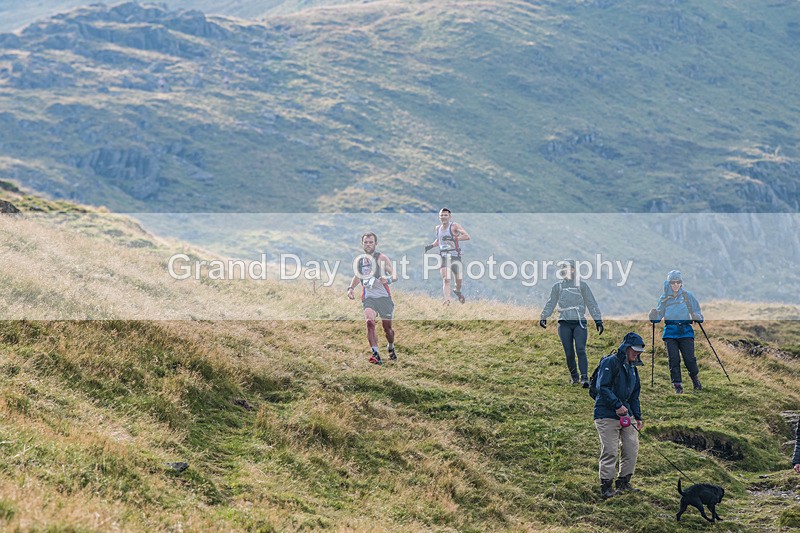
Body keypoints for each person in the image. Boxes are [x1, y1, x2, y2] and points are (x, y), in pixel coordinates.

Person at [594, 332, 645, 499]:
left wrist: (638, 416)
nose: (637, 354)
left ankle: (624, 483)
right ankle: (606, 487)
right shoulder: (610, 362)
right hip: (605, 414)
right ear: (626, 348)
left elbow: (635, 394)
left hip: (627, 415)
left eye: (639, 351)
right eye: (634, 350)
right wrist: (617, 405)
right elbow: (602, 387)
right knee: (610, 451)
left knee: (631, 448)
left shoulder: (633, 368)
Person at [539, 260, 604, 386]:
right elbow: (551, 303)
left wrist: (598, 320)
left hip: (579, 322)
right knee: (569, 353)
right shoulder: (557, 287)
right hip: (564, 323)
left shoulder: (582, 286)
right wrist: (544, 316)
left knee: (580, 349)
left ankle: (585, 378)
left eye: (568, 268)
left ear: (574, 269)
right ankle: (574, 377)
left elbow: (591, 303)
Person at [649, 270, 704, 394]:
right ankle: (677, 386)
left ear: (681, 283)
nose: (675, 284)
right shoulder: (663, 299)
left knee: (689, 359)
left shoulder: (687, 296)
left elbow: (697, 312)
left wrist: (697, 316)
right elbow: (658, 317)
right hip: (670, 333)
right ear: (669, 283)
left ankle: (695, 379)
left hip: (686, 332)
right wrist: (653, 316)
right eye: (673, 282)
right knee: (673, 360)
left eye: (678, 282)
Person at [347, 232, 397, 365]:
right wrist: (351, 288)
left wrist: (387, 279)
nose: (368, 245)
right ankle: (376, 354)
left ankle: (391, 346)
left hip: (384, 298)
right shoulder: (360, 261)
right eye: (366, 242)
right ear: (362, 244)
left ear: (376, 243)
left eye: (371, 242)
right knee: (369, 322)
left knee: (388, 330)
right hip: (369, 298)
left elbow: (395, 275)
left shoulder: (381, 258)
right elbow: (357, 276)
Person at [425, 208, 470, 305]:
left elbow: (467, 236)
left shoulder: (454, 226)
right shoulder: (438, 228)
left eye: (445, 215)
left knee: (459, 282)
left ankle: (457, 291)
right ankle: (447, 301)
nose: (443, 217)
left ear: (450, 217)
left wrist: (454, 238)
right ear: (439, 217)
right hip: (443, 256)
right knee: (446, 278)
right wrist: (431, 246)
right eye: (441, 215)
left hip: (455, 256)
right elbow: (439, 240)